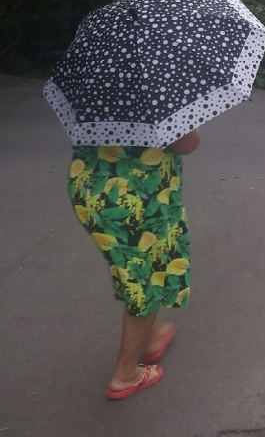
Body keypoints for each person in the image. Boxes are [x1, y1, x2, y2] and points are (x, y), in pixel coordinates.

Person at [70, 128, 200, 400]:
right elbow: (186, 144)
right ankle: (125, 375)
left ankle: (151, 337)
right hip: (142, 197)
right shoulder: (159, 92)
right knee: (149, 280)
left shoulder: (96, 88)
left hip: (89, 190)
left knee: (131, 268)